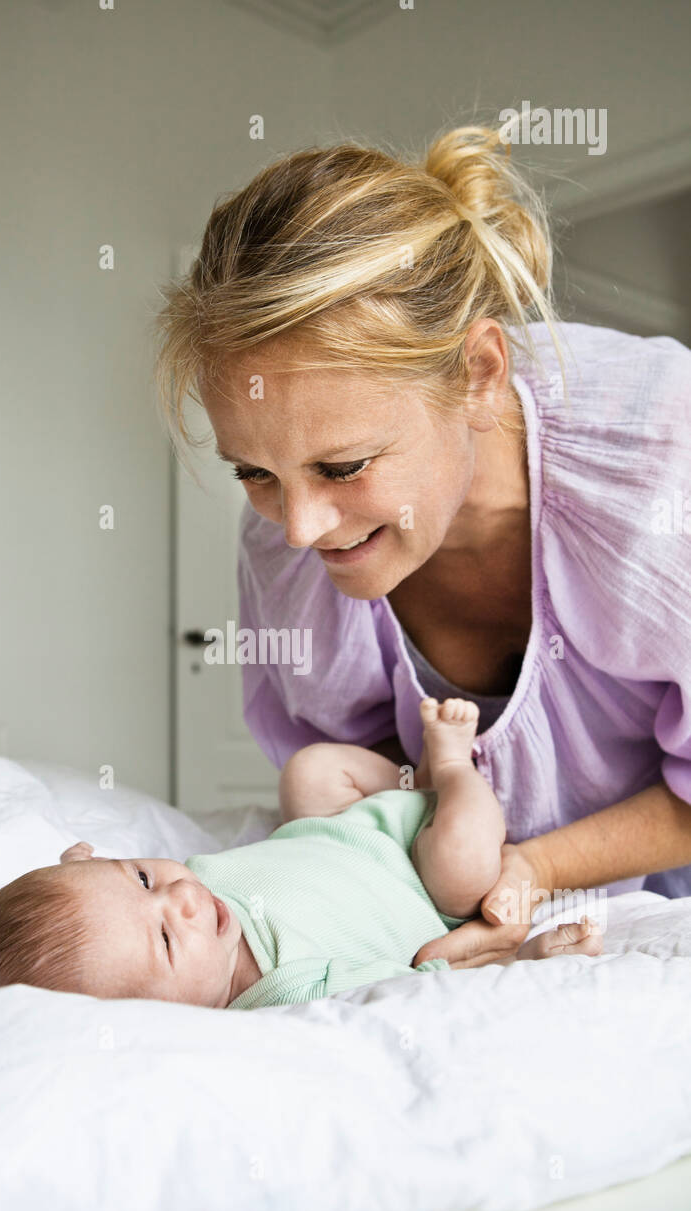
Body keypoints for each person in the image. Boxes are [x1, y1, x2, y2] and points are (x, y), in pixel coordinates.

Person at [153, 124, 691, 969]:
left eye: (345, 465)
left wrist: (536, 868)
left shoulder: (661, 459)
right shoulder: (288, 542)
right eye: (254, 472)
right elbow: (365, 796)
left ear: (477, 374)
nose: (299, 528)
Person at [0, 697, 601, 1009]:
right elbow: (411, 990)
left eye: (143, 877)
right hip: (431, 890)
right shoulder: (280, 994)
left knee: (309, 774)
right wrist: (522, 960)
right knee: (461, 859)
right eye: (169, 941)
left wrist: (85, 868)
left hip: (360, 828)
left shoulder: (168, 907)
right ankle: (454, 770)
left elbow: (108, 905)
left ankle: (419, 785)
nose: (180, 899)